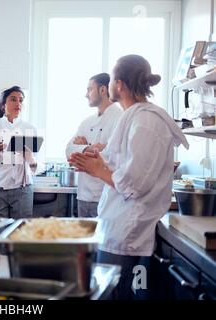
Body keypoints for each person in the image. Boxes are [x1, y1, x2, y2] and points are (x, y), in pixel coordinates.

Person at [69, 55, 189, 299]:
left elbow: (134, 184)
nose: (110, 83)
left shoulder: (146, 122)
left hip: (127, 233)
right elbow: (123, 168)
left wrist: (97, 170)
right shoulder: (133, 116)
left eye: (112, 79)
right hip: (116, 227)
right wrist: (98, 161)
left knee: (119, 295)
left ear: (120, 84)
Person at [65, 73, 122, 217]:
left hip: (106, 196)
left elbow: (112, 157)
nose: (86, 94)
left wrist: (84, 150)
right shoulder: (87, 122)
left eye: (89, 89)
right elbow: (68, 150)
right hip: (83, 196)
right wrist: (92, 148)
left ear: (103, 90)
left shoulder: (120, 118)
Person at [0, 86, 37, 218]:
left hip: (23, 189)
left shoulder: (30, 128)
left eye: (21, 100)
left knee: (21, 231)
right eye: (13, 99)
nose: (18, 103)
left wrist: (31, 159)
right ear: (2, 105)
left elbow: (38, 167)